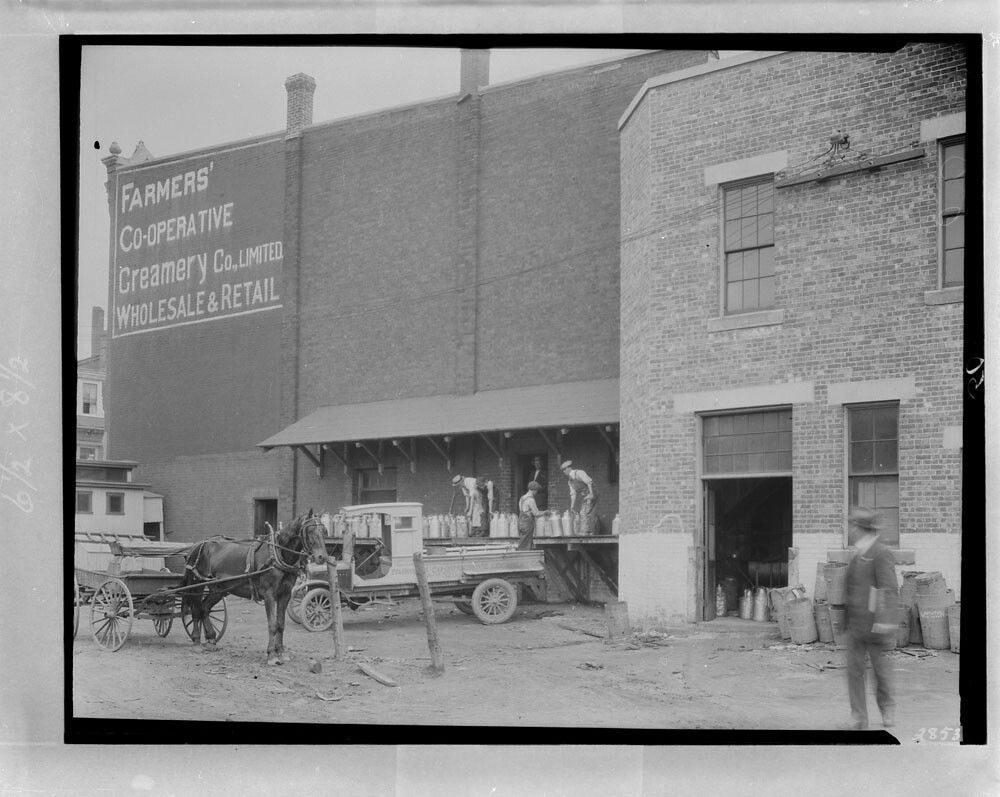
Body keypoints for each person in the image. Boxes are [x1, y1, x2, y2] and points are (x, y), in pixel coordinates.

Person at [842, 507, 899, 730]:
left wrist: (884, 621)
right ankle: (858, 717)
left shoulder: (881, 552)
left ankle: (887, 709)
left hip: (875, 625)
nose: (851, 530)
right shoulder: (857, 553)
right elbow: (850, 588)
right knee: (854, 672)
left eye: (853, 526)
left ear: (861, 528)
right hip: (856, 625)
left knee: (880, 672)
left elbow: (888, 588)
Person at [560, 460, 599, 535]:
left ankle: (585, 531)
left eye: (565, 469)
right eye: (563, 470)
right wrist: (572, 506)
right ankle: (590, 531)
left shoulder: (579, 473)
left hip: (592, 492)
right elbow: (573, 494)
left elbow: (589, 482)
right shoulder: (570, 481)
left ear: (569, 468)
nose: (564, 472)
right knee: (589, 512)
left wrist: (591, 494)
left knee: (584, 511)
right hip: (585, 495)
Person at [517, 481, 545, 550]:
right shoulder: (531, 500)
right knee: (525, 545)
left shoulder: (522, 498)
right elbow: (536, 514)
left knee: (523, 542)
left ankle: (522, 555)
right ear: (534, 490)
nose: (537, 493)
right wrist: (545, 512)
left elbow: (522, 510)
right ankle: (522, 556)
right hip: (527, 525)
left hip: (520, 523)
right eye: (537, 491)